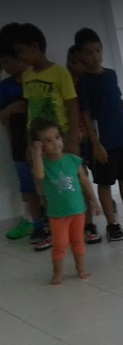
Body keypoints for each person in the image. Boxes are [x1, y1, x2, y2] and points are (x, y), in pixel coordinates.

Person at [10, 22, 83, 251]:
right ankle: (54, 229)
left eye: (21, 51)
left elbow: (72, 106)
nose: (20, 57)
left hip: (61, 140)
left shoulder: (60, 73)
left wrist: (72, 139)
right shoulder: (27, 76)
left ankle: (85, 225)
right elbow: (30, 111)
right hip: (39, 143)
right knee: (47, 188)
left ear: (34, 46)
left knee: (74, 182)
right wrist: (29, 145)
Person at [73, 27, 123, 240]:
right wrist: (95, 144)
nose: (95, 56)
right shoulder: (84, 82)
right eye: (89, 52)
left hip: (121, 138)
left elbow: (117, 102)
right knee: (105, 183)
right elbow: (86, 114)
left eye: (98, 50)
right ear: (80, 55)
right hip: (102, 142)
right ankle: (112, 224)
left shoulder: (110, 75)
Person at [30, 118, 100, 285]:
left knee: (78, 241)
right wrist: (36, 153)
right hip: (58, 214)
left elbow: (85, 182)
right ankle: (57, 273)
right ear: (40, 145)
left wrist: (94, 201)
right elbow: (38, 176)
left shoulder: (73, 160)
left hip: (78, 210)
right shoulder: (43, 164)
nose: (55, 143)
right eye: (48, 141)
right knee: (60, 244)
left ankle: (81, 269)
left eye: (57, 137)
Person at [0, 22, 43, 243]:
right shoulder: (5, 87)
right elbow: (3, 119)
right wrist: (9, 110)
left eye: (7, 61)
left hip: (42, 143)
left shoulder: (36, 80)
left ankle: (54, 221)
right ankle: (36, 225)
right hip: (18, 145)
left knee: (47, 184)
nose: (5, 66)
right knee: (27, 186)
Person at [66, 45, 101, 244]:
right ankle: (87, 223)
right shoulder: (67, 84)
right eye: (70, 62)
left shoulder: (88, 83)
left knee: (98, 177)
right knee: (80, 180)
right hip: (74, 140)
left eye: (77, 62)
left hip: (92, 138)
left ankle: (100, 208)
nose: (73, 66)